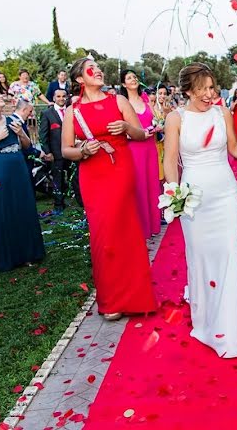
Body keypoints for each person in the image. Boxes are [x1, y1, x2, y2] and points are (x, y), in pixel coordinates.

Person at [162, 63, 237, 358]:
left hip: (226, 194)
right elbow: (170, 159)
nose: (208, 94)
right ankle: (206, 323)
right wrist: (173, 192)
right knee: (201, 259)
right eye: (201, 88)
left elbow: (234, 148)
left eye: (212, 87)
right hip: (194, 199)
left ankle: (230, 329)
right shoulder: (175, 119)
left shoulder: (222, 113)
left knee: (229, 256)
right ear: (187, 90)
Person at [61, 58, 157, 320]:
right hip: (92, 174)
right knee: (103, 234)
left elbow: (141, 134)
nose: (98, 71)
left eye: (98, 68)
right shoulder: (73, 111)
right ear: (80, 79)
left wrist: (127, 127)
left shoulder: (119, 101)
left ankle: (136, 297)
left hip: (121, 169)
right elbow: (65, 149)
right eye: (91, 69)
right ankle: (112, 299)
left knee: (124, 228)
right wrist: (82, 151)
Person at [0, 87, 46, 272]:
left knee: (23, 207)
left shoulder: (12, 120)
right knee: (3, 210)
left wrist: (21, 133)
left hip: (18, 167)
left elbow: (26, 146)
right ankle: (8, 257)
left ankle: (29, 253)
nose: (0, 96)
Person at [120, 70, 161, 238]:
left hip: (150, 147)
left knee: (152, 183)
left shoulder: (145, 98)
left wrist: (158, 126)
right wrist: (135, 133)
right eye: (129, 78)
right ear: (123, 84)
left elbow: (156, 119)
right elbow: (122, 130)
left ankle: (154, 225)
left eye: (134, 76)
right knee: (139, 186)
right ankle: (141, 228)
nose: (133, 79)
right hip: (134, 149)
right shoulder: (123, 103)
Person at [39, 88, 74, 212]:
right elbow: (43, 135)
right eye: (58, 96)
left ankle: (79, 201)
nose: (61, 99)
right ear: (53, 98)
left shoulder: (72, 111)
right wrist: (48, 152)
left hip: (72, 151)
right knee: (57, 179)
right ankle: (59, 205)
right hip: (56, 153)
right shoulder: (47, 113)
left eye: (63, 96)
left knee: (74, 178)